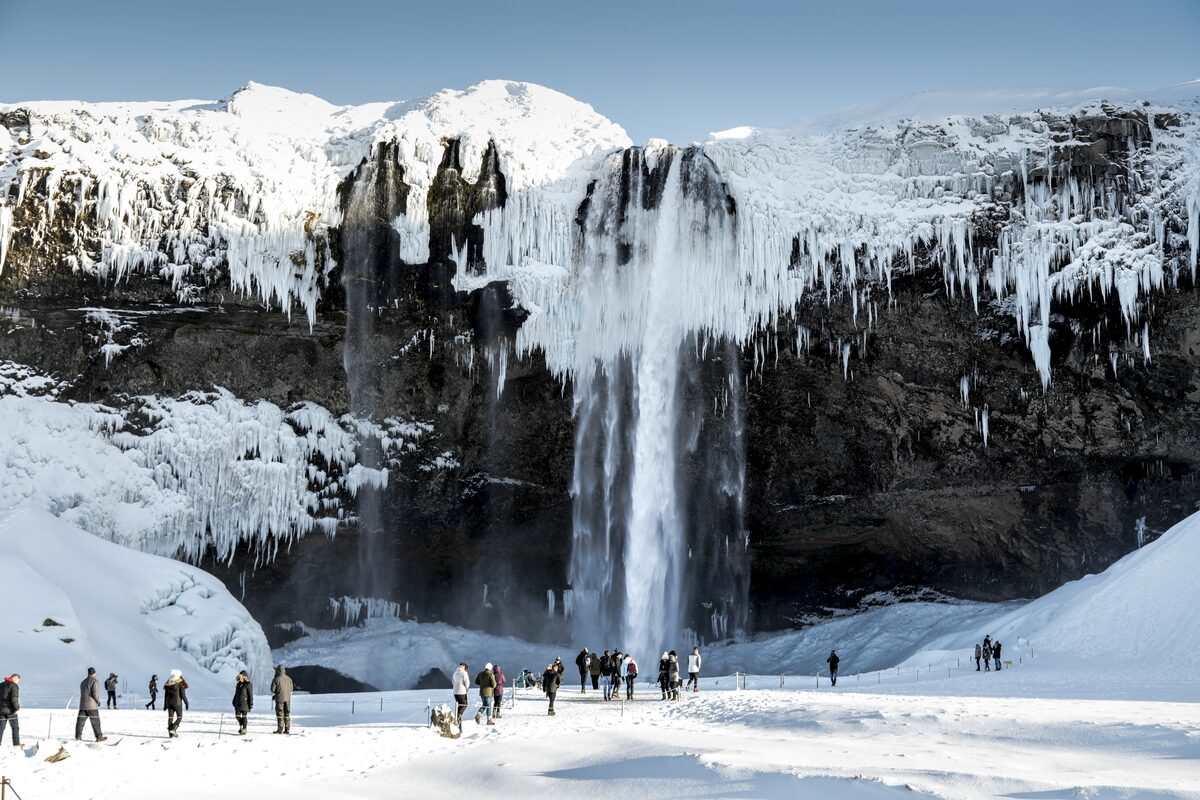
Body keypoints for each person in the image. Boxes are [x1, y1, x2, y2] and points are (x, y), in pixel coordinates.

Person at [75, 667, 106, 742]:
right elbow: (94, 693)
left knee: (80, 722)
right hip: (92, 706)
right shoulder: (95, 681)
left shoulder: (83, 682)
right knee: (95, 722)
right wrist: (98, 701)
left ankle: (78, 737)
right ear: (94, 673)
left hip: (82, 706)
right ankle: (99, 737)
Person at [163, 669, 189, 738]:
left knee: (170, 718)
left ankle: (170, 734)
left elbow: (165, 696)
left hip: (169, 703)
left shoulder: (168, 682)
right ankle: (173, 729)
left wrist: (165, 705)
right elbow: (183, 695)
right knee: (179, 717)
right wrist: (186, 703)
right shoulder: (180, 682)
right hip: (177, 703)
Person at [271, 665, 293, 734]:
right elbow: (291, 689)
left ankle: (280, 729)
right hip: (288, 699)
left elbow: (272, 689)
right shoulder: (289, 679)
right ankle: (287, 729)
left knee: (280, 713)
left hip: (279, 699)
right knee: (287, 713)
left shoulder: (276, 679)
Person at [0, 674, 20, 746]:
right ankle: (16, 745)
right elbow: (14, 699)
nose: (18, 682)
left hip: (1, 711)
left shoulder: (1, 685)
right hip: (11, 711)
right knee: (15, 728)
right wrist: (17, 707)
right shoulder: (14, 686)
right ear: (15, 678)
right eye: (18, 680)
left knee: (0, 728)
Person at [232, 670, 253, 735]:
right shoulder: (238, 684)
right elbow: (236, 694)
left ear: (244, 677)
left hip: (245, 703)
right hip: (237, 703)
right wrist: (233, 701)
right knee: (237, 716)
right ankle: (241, 726)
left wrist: (251, 704)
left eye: (241, 676)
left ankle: (244, 729)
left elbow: (250, 695)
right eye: (239, 676)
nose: (239, 677)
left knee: (244, 717)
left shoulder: (248, 684)